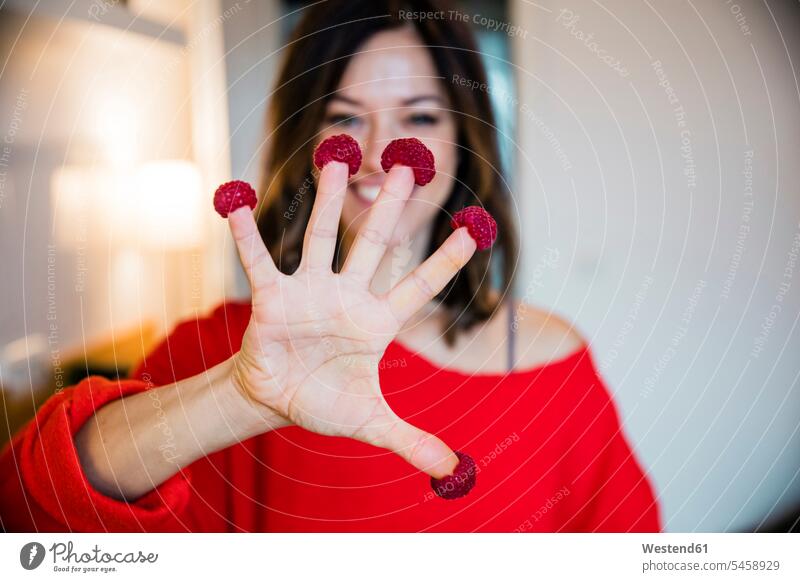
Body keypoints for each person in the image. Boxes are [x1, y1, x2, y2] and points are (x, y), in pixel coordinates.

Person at [0, 0, 661, 532]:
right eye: (346, 117)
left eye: (421, 116)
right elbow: (29, 509)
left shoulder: (554, 366)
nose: (385, 154)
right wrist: (238, 396)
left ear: (467, 140)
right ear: (307, 141)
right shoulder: (221, 349)